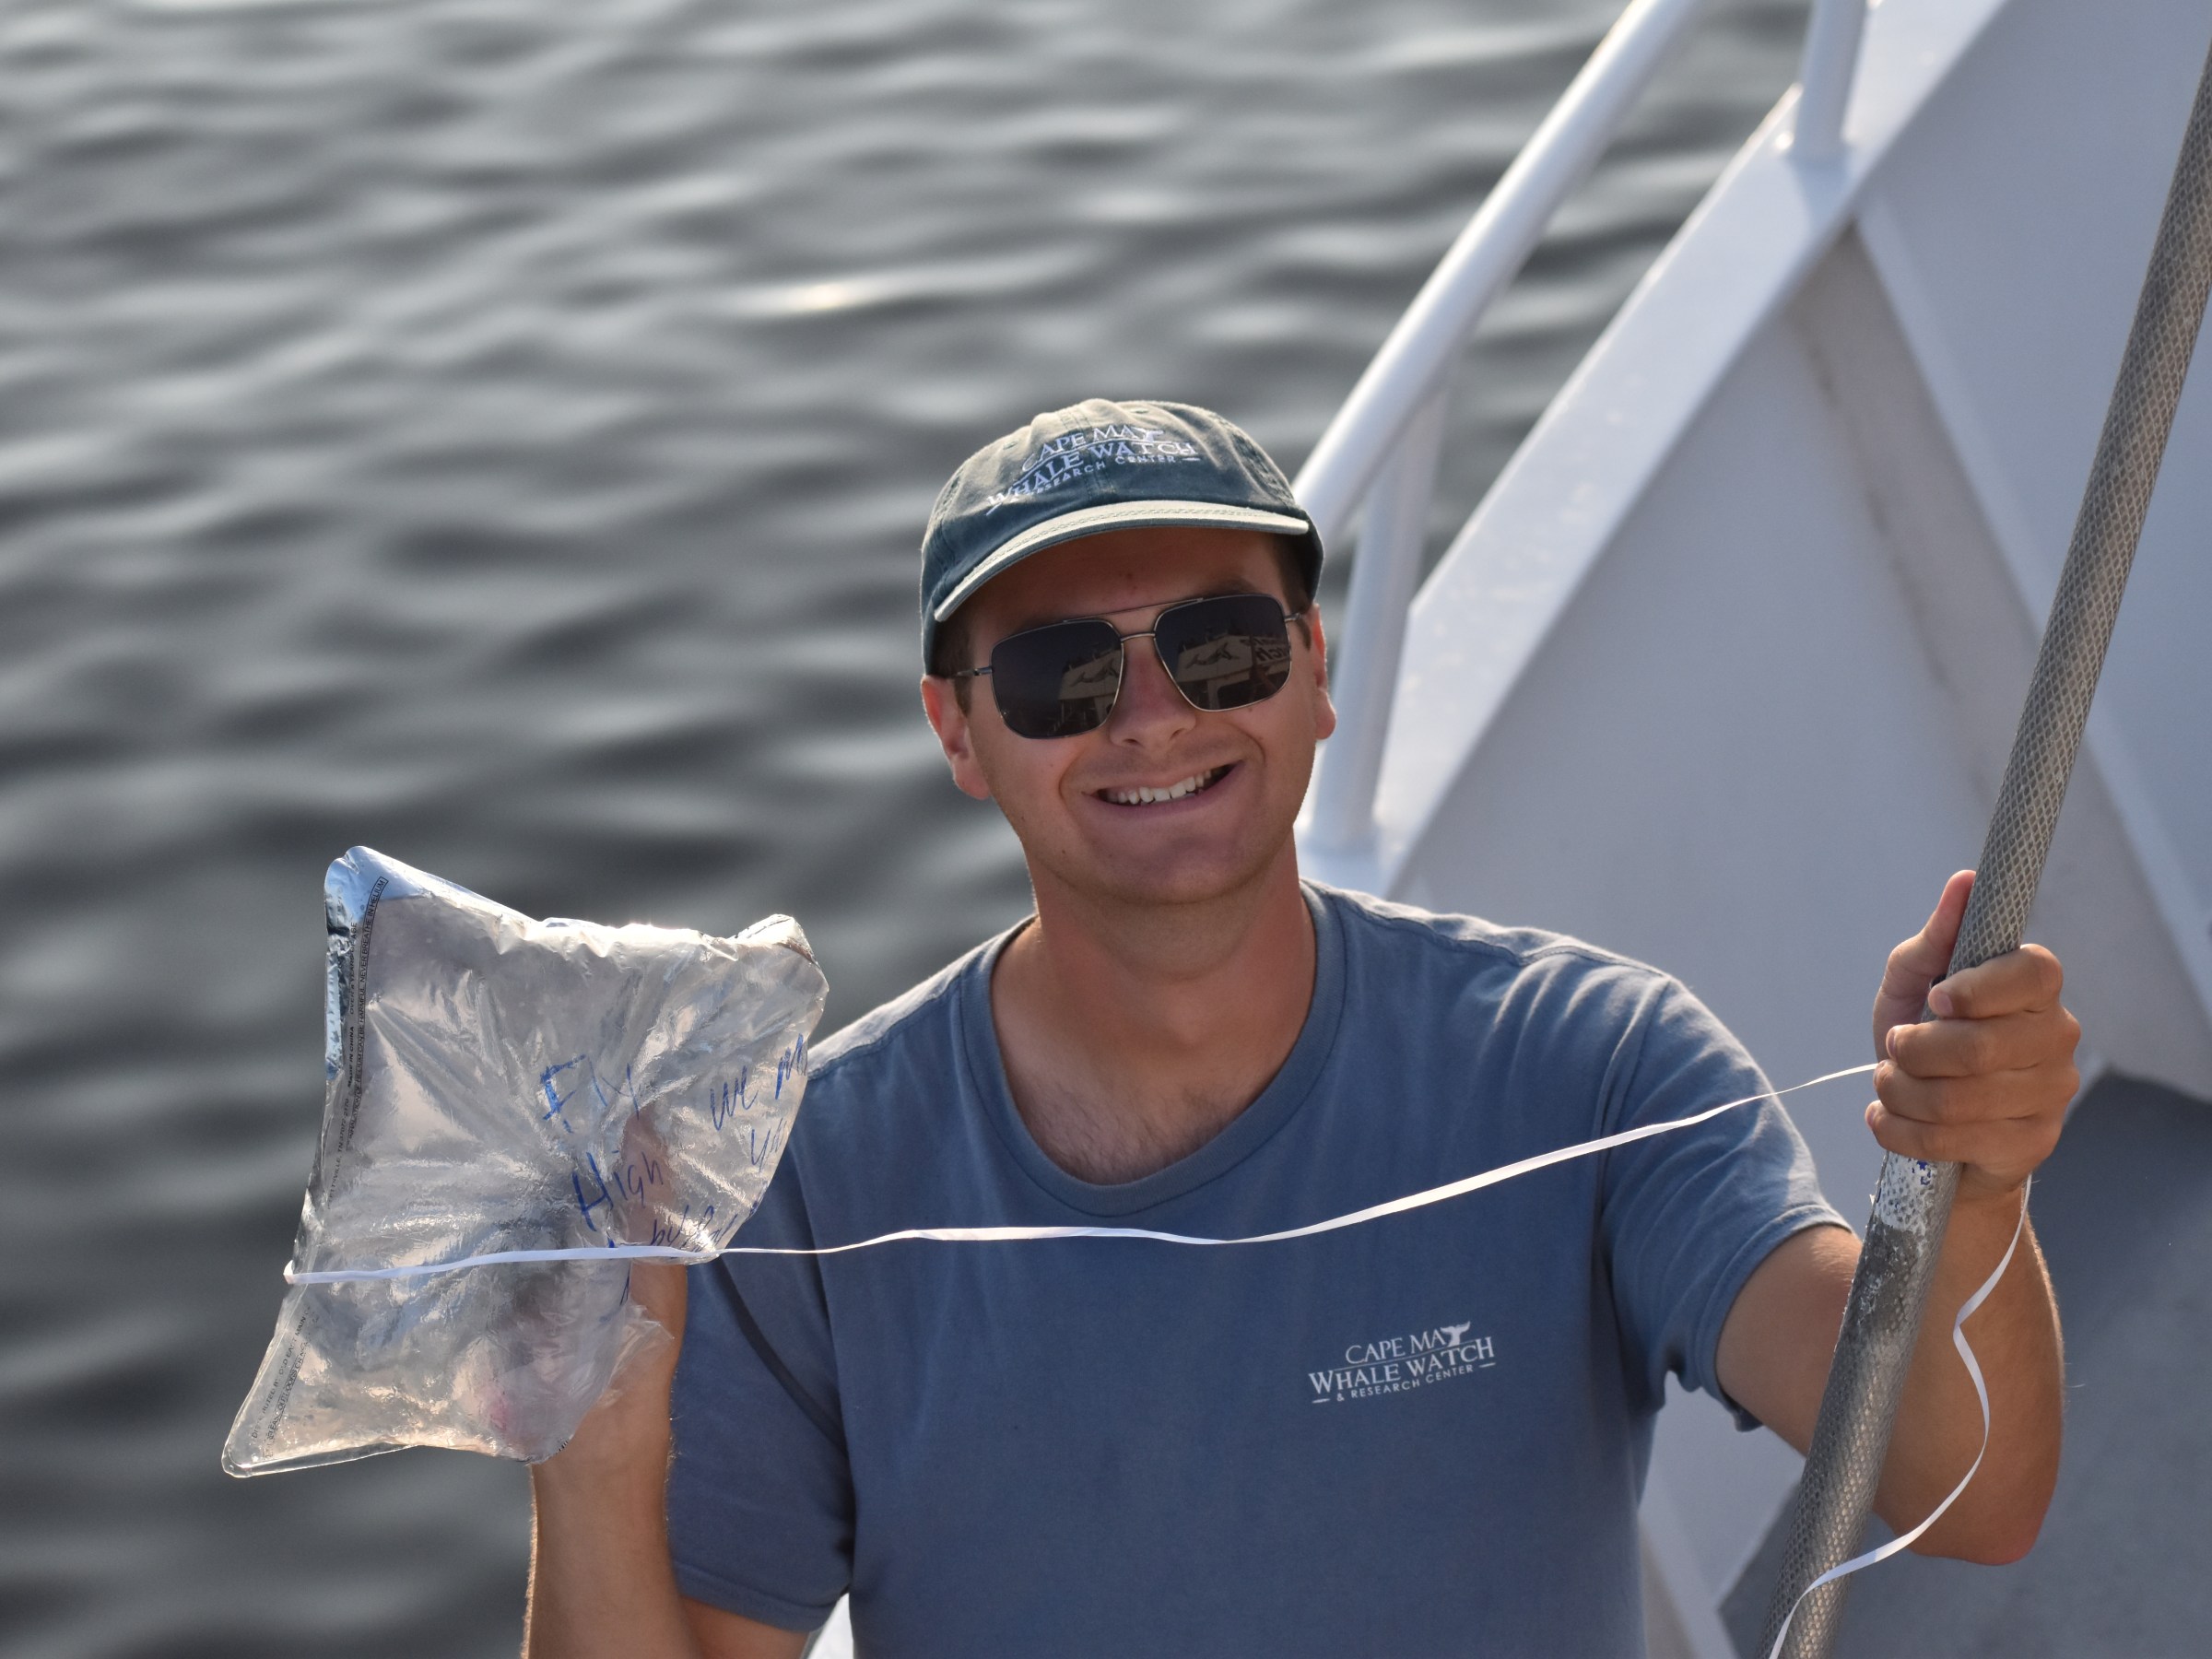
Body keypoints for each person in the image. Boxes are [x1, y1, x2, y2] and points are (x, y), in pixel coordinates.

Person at [524, 399, 2077, 1657]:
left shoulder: (1591, 1059)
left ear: (1315, 672)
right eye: (1062, 673)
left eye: (1221, 645)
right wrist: (584, 1444)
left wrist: (1976, 1184)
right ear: (960, 732)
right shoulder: (805, 1177)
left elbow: (1966, 1490)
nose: (1153, 714)